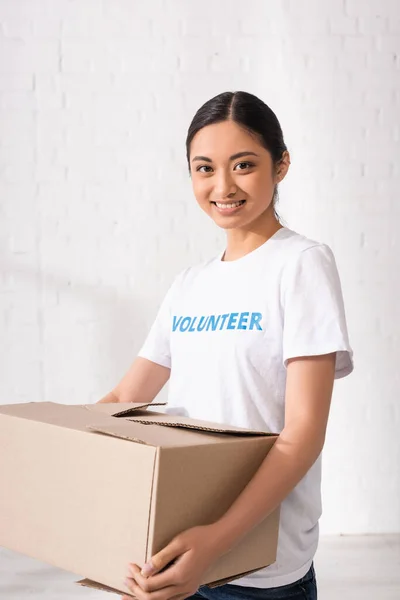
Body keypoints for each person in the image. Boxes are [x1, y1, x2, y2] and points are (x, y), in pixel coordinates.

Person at [99, 91, 354, 600]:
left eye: (243, 165)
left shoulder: (301, 264)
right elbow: (123, 399)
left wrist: (215, 542)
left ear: (281, 165)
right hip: (172, 550)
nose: (223, 186)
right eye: (204, 168)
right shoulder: (189, 285)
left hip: (258, 566)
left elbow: (302, 433)